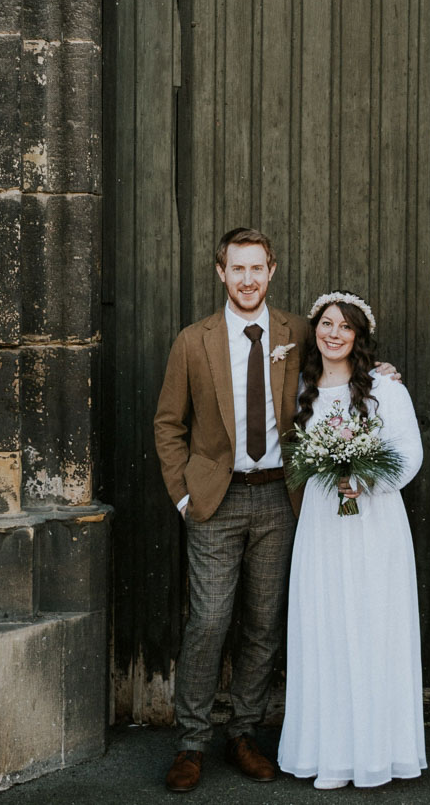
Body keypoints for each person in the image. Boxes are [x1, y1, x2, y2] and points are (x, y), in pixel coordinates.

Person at [153, 228, 312, 792]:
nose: (247, 279)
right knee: (210, 621)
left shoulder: (299, 333)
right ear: (221, 273)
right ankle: (191, 742)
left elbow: (341, 374)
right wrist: (183, 495)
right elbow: (168, 424)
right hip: (215, 501)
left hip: (279, 498)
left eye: (257, 268)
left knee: (264, 624)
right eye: (236, 269)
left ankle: (243, 733)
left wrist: (380, 373)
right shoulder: (193, 341)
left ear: (272, 270)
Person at [277, 292, 426, 791]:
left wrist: (365, 479)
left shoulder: (384, 386)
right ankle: (327, 752)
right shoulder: (301, 386)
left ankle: (377, 754)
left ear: (359, 336)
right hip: (322, 522)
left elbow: (409, 453)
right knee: (325, 626)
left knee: (371, 626)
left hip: (373, 523)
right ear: (314, 330)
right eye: (325, 324)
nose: (333, 333)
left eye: (344, 326)